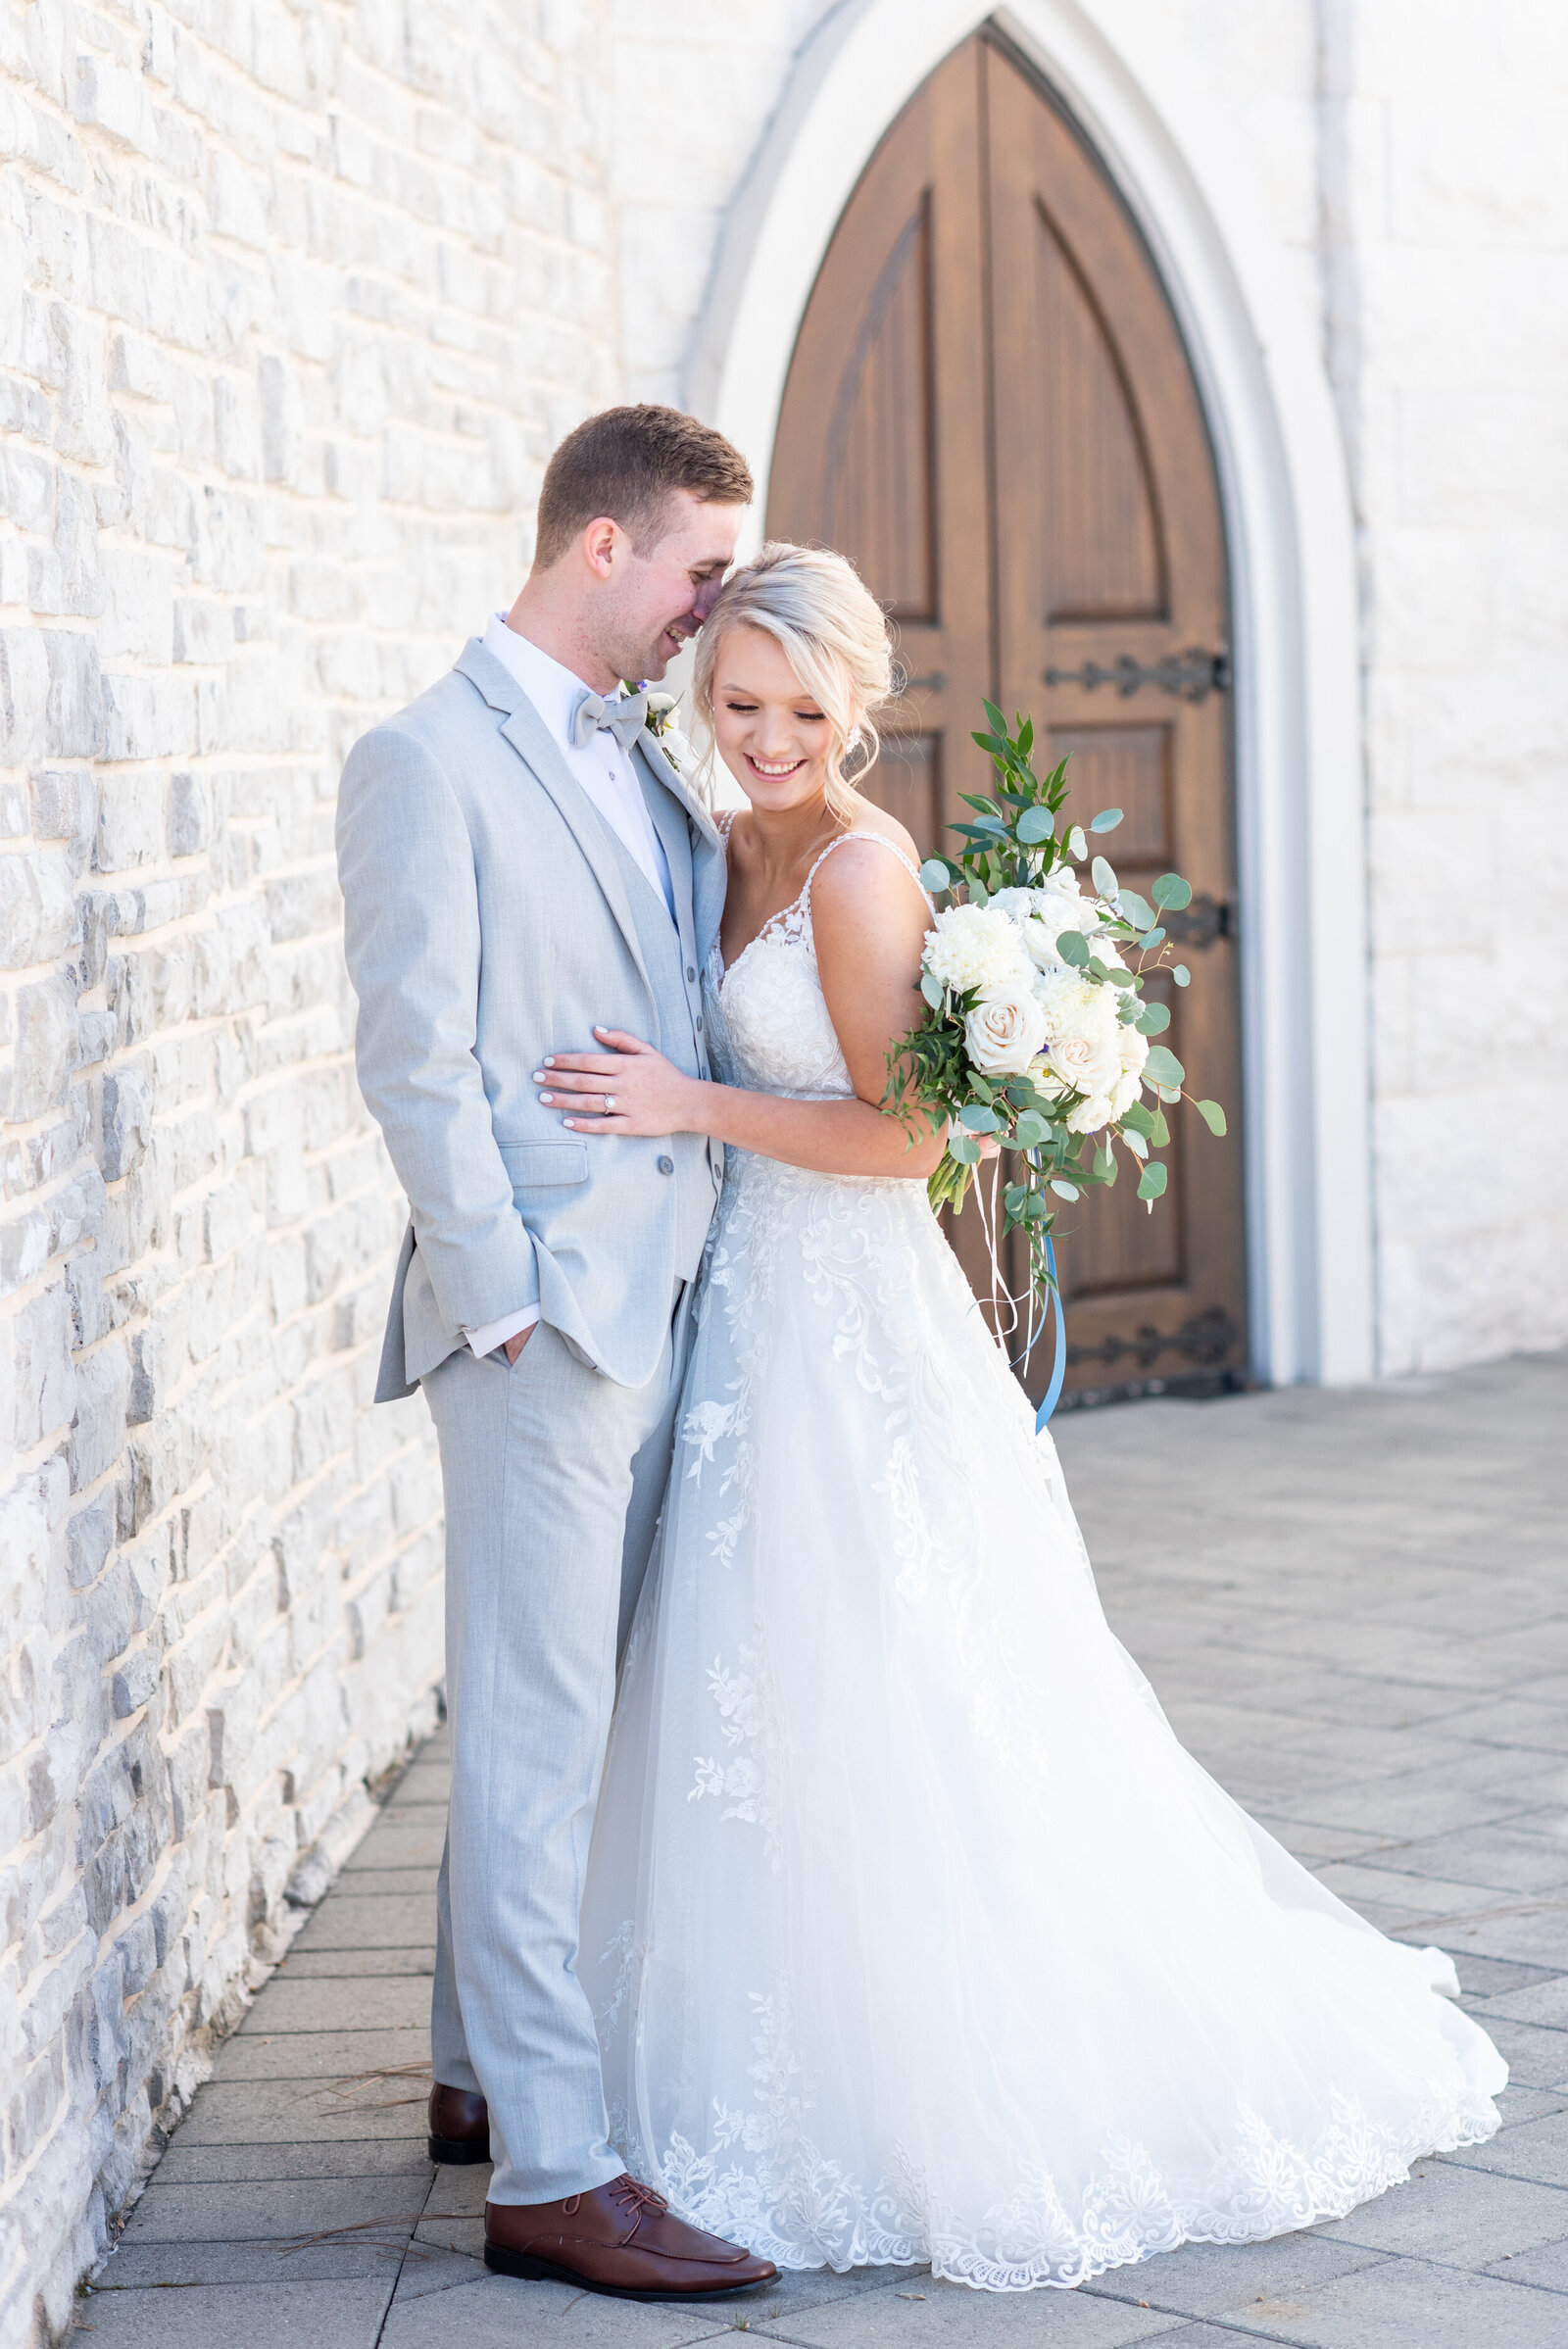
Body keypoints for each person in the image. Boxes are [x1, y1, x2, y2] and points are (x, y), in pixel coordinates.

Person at [536, 541, 1508, 2292]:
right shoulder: (716, 832)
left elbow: (908, 1142)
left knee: (887, 1665)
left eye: (802, 709)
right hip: (748, 1306)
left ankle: (924, 2077)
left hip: (844, 1311)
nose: (765, 736)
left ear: (858, 706)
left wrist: (688, 1099)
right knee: (746, 1674)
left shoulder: (853, 867)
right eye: (739, 702)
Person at [335, 406, 779, 2302]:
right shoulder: (422, 760)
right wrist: (503, 1296)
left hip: (661, 1285)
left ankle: (467, 2072)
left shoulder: (646, 756)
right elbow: (411, 1050)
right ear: (601, 546)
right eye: (695, 572)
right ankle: (554, 2169)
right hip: (539, 1322)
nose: (708, 611)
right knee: (537, 1737)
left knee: (554, 1704)